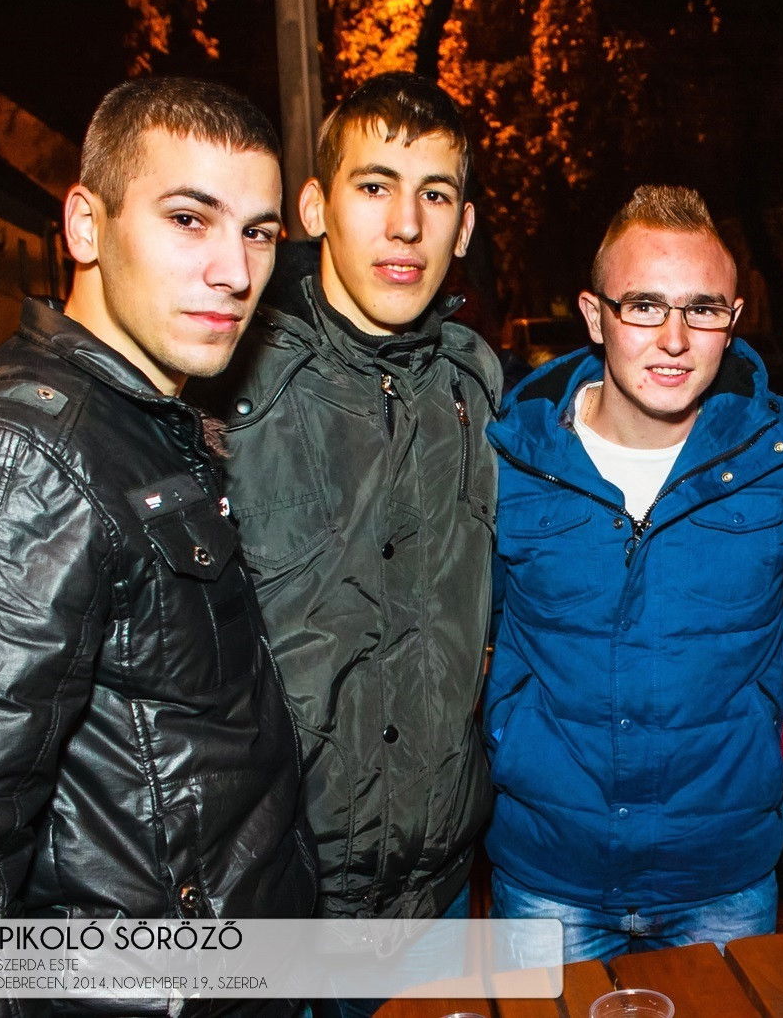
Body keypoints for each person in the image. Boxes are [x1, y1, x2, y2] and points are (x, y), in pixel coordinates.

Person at [0, 77, 317, 1006]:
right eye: (189, 219)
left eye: (259, 232)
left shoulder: (143, 424)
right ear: (85, 227)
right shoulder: (12, 462)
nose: (235, 270)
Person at [196, 72, 500, 937]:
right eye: (374, 187)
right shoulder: (225, 387)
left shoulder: (477, 388)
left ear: (463, 225)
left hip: (440, 892)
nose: (406, 224)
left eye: (434, 194)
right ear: (315, 207)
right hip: (280, 901)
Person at [483, 185, 783, 961]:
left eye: (702, 309)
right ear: (595, 316)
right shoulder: (512, 458)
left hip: (723, 877)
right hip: (548, 874)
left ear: (733, 319)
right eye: (644, 306)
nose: (674, 339)